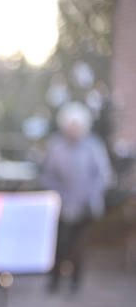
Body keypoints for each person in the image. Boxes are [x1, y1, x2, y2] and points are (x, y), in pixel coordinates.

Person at [40, 102, 112, 293]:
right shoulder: (56, 145)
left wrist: (87, 197)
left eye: (76, 126)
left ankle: (75, 283)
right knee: (59, 245)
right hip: (62, 204)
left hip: (86, 206)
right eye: (69, 126)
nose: (72, 130)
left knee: (78, 247)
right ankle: (54, 281)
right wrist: (59, 196)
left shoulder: (93, 146)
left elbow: (104, 176)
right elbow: (48, 175)